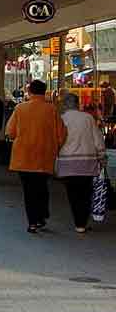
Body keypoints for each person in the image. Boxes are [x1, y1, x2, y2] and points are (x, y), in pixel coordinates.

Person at [5, 79, 67, 233]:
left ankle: (32, 221)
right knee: (42, 186)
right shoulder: (51, 110)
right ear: (44, 92)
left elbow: (10, 132)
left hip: (23, 156)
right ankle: (41, 216)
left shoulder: (20, 108)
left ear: (30, 92)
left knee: (28, 190)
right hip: (45, 155)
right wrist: (55, 146)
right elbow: (61, 134)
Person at [56, 94, 105, 233]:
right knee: (85, 193)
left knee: (73, 194)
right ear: (78, 104)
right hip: (87, 162)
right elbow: (98, 139)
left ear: (65, 105)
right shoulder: (88, 118)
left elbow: (57, 140)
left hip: (67, 163)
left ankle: (78, 222)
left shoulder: (61, 119)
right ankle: (82, 222)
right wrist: (101, 156)